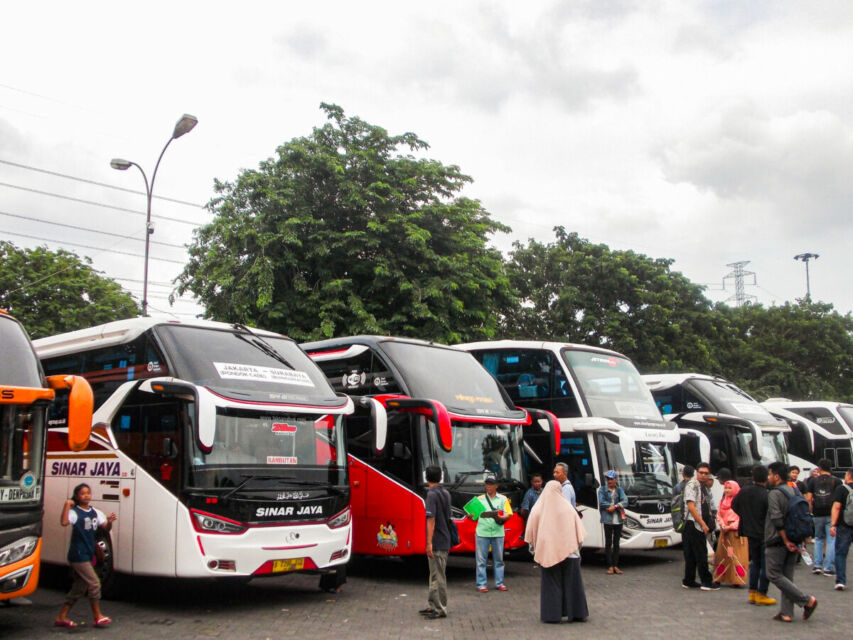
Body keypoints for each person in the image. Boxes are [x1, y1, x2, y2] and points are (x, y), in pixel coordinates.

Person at [524, 480, 588, 624]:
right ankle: (576, 613)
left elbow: (531, 533)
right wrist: (576, 550)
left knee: (551, 585)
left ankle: (552, 615)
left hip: (547, 554)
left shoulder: (538, 508)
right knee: (573, 585)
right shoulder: (568, 508)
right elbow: (580, 534)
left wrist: (535, 551)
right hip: (571, 554)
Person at [54, 483, 117, 629]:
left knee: (79, 588)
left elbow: (105, 528)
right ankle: (97, 616)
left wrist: (110, 522)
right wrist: (66, 505)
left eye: (88, 493)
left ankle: (61, 616)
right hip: (78, 554)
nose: (86, 496)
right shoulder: (74, 512)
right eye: (82, 494)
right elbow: (64, 522)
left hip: (88, 553)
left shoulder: (95, 512)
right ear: (77, 496)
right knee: (94, 583)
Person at [764, 462, 818, 623]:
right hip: (795, 536)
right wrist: (799, 540)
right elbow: (802, 515)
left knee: (773, 574)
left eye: (770, 474)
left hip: (778, 539)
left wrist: (786, 540)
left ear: (776, 476)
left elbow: (776, 518)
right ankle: (786, 613)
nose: (768, 477)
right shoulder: (795, 489)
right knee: (787, 575)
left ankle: (807, 600)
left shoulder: (774, 493)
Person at [731, 465, 776, 606]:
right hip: (763, 533)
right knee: (765, 565)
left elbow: (734, 505)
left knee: (755, 563)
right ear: (766, 478)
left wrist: (745, 516)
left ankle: (752, 592)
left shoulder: (744, 491)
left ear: (753, 477)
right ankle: (762, 593)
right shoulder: (767, 494)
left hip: (749, 531)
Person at [470, 475, 512, 592]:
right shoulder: (479, 499)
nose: (488, 486)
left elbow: (509, 514)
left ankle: (499, 583)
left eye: (491, 484)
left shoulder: (503, 499)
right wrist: (470, 516)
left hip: (498, 533)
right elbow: (473, 517)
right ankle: (481, 584)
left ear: (496, 486)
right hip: (482, 532)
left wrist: (500, 517)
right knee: (481, 560)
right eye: (487, 484)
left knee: (499, 560)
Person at [420, 465, 451, 619]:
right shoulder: (446, 493)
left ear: (426, 478)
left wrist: (429, 543)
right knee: (434, 574)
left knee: (438, 576)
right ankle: (432, 604)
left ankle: (440, 609)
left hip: (438, 541)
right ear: (440, 477)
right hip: (445, 538)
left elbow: (431, 519)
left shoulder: (431, 495)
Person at [682, 462, 717, 591]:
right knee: (701, 553)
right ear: (696, 472)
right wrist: (703, 524)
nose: (703, 475)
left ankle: (689, 580)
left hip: (695, 524)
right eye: (701, 472)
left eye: (706, 473)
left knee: (691, 554)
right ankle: (706, 581)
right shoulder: (693, 485)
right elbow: (691, 507)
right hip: (694, 524)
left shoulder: (703, 487)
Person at [804, 458, 840, 577]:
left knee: (818, 539)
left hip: (817, 513)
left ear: (819, 468)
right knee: (831, 540)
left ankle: (817, 566)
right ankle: (828, 567)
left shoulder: (813, 481)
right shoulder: (836, 481)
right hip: (831, 513)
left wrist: (810, 511)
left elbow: (809, 498)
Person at [712, 480, 749, 586]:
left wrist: (731, 526)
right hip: (725, 532)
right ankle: (719, 577)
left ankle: (737, 580)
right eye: (726, 488)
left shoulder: (741, 501)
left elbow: (742, 517)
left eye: (730, 488)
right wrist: (722, 525)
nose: (727, 490)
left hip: (737, 533)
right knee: (723, 556)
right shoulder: (723, 500)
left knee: (737, 556)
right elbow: (719, 514)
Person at [597, 470, 627, 575]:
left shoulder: (619, 490)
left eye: (611, 479)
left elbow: (625, 501)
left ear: (616, 479)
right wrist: (612, 505)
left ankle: (616, 565)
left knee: (617, 543)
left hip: (618, 520)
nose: (609, 481)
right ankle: (609, 566)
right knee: (608, 543)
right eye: (608, 479)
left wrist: (615, 506)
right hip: (607, 520)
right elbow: (601, 502)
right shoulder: (602, 490)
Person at [829, 468, 853, 590]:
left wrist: (833, 524)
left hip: (845, 525)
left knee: (841, 553)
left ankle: (840, 581)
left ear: (848, 476)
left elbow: (836, 507)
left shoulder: (841, 489)